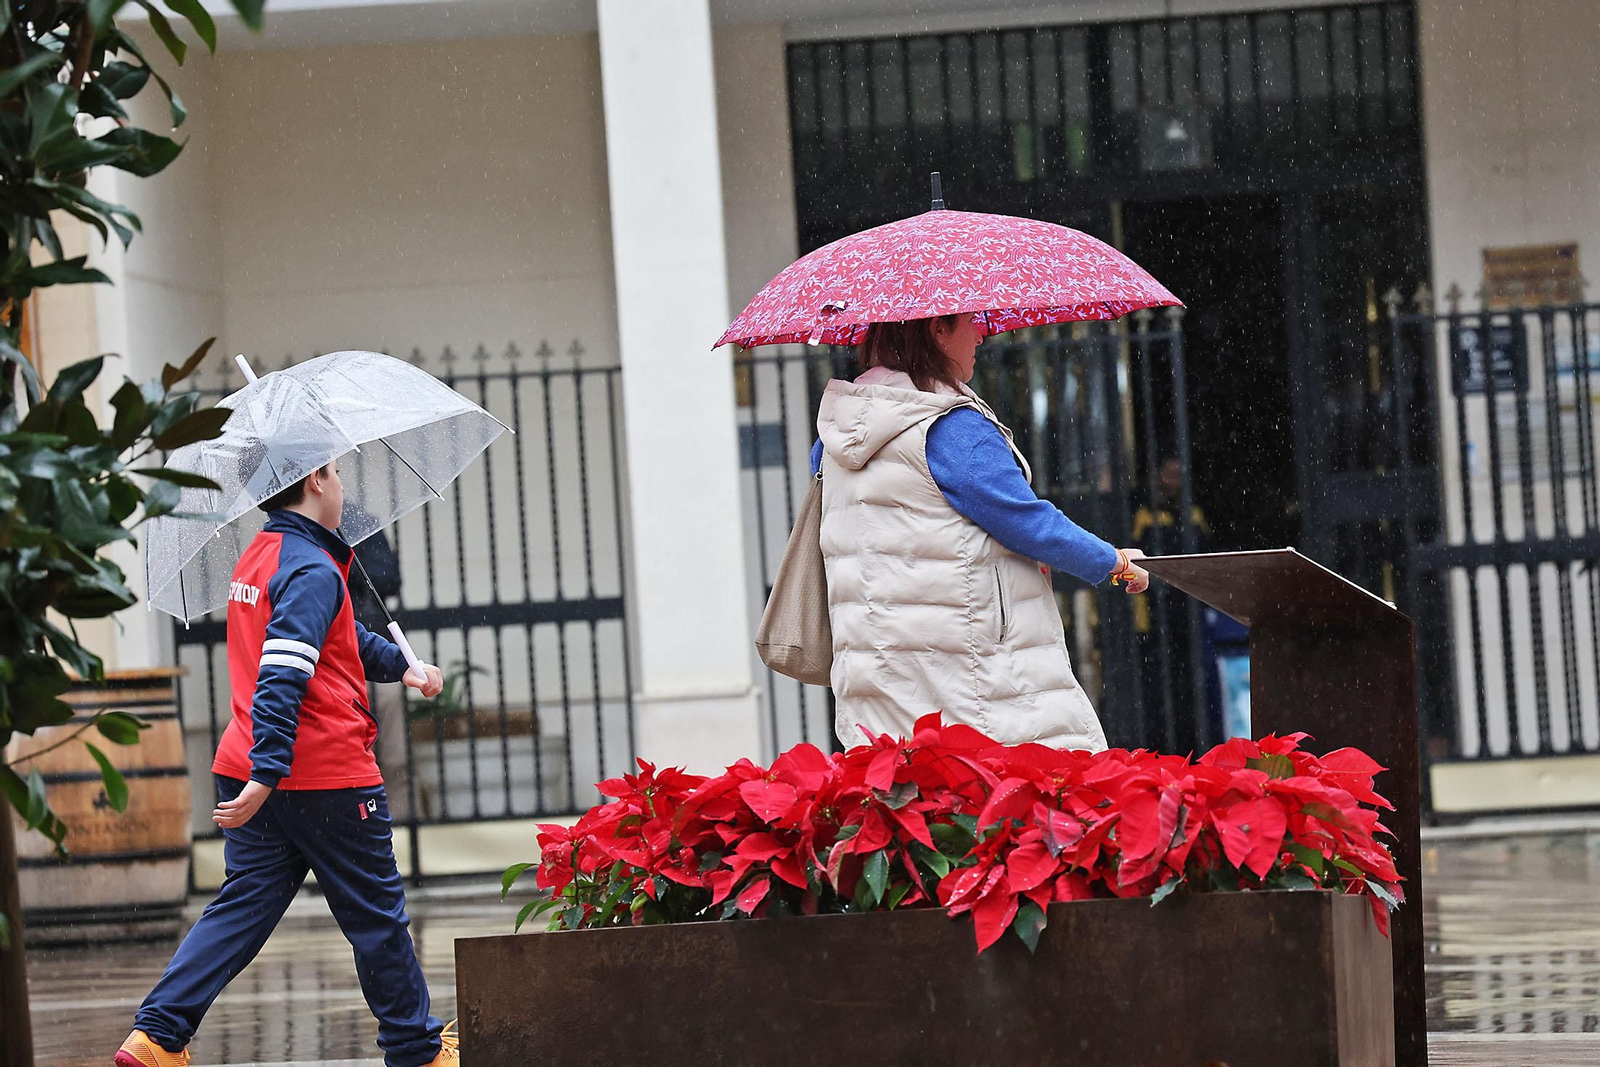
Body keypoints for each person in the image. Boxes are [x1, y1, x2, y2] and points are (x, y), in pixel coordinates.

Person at [116, 460, 454, 1067]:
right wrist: (268, 774)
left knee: (243, 906)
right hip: (323, 775)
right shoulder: (312, 568)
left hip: (249, 761)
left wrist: (403, 667)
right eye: (341, 474)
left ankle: (157, 1037)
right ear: (318, 478)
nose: (345, 486)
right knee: (377, 916)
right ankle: (417, 1052)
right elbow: (284, 674)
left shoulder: (264, 555)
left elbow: (336, 638)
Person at [810, 312, 1149, 751]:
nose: (983, 334)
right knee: (999, 803)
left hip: (876, 668)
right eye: (971, 321)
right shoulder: (949, 426)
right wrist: (1113, 562)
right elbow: (1025, 522)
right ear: (938, 331)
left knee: (908, 801)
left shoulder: (836, 432)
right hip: (965, 671)